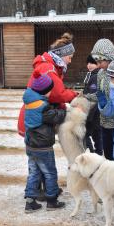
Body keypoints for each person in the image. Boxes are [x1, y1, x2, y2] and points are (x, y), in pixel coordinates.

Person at [17, 32, 78, 201]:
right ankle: (45, 193)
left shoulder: (50, 65)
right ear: (62, 55)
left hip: (33, 119)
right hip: (38, 123)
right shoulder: (48, 68)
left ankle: (36, 192)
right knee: (43, 163)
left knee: (36, 162)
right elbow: (57, 94)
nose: (70, 61)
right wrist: (73, 97)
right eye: (70, 57)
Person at [22, 74, 67, 213]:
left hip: (31, 145)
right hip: (43, 147)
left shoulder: (30, 102)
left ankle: (30, 202)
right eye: (50, 90)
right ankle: (52, 201)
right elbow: (57, 116)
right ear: (44, 91)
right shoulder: (43, 107)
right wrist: (62, 110)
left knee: (34, 173)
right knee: (50, 173)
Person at [82, 54, 102, 155]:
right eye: (88, 63)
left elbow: (93, 96)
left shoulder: (96, 76)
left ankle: (91, 154)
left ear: (98, 64)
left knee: (84, 134)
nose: (89, 65)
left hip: (93, 112)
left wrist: (88, 115)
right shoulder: (91, 74)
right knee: (97, 134)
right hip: (95, 112)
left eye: (92, 63)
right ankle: (98, 154)